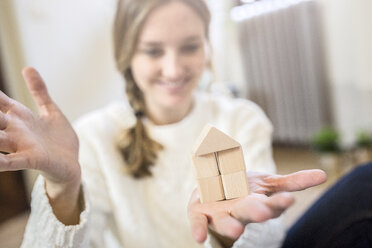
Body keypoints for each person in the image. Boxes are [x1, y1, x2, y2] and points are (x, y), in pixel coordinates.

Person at [0, 0, 326, 247]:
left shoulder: (242, 118)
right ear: (127, 55)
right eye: (153, 51)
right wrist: (62, 188)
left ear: (207, 47)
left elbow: (269, 237)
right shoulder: (94, 137)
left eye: (189, 47)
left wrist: (227, 235)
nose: (173, 69)